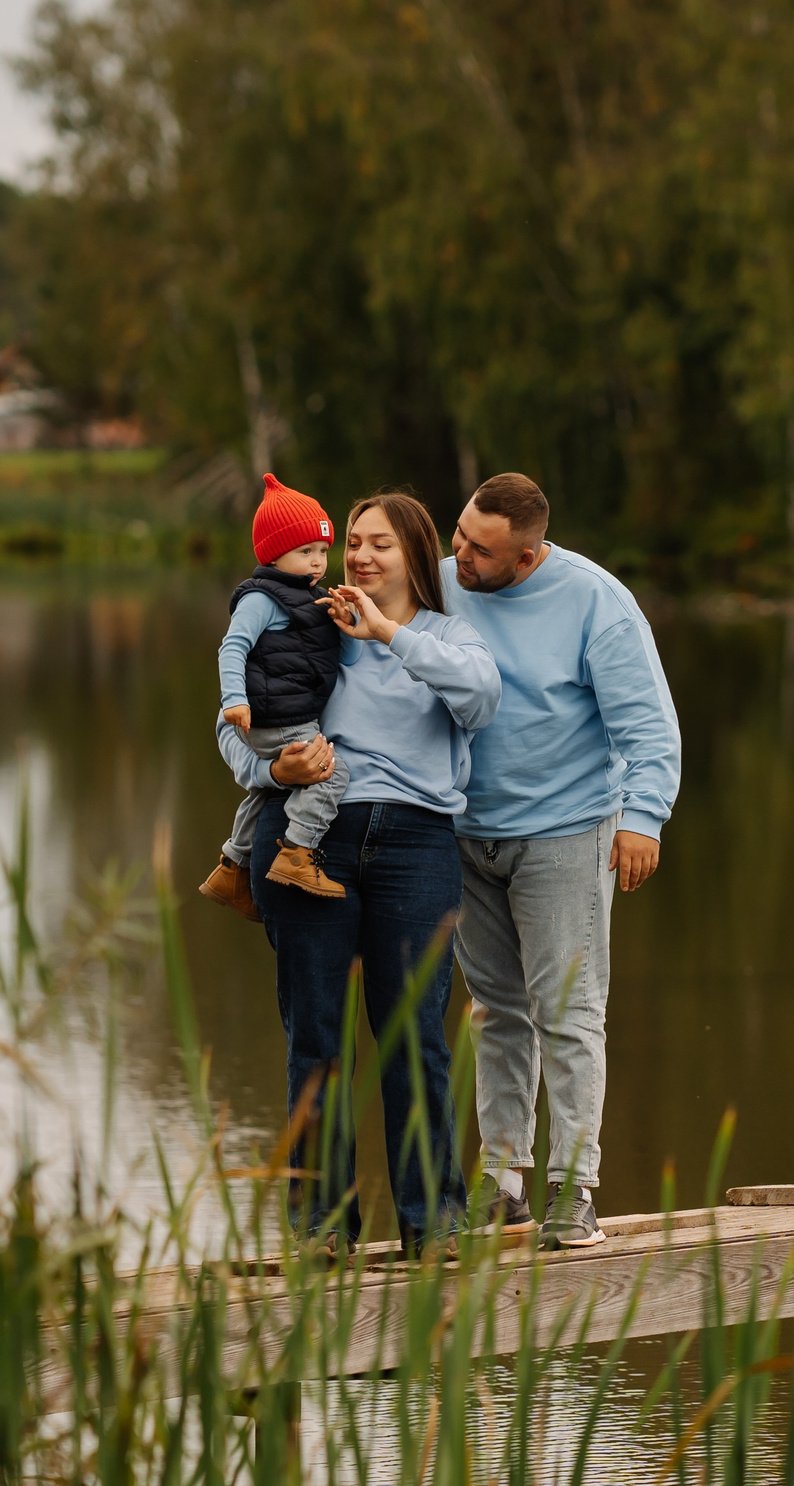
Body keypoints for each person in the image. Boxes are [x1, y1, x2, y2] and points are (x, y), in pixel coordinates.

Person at [234, 492, 499, 1257]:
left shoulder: (452, 636)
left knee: (415, 1036)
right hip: (308, 841)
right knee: (315, 1035)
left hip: (416, 845)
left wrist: (387, 632)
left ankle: (435, 1222)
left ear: (415, 552)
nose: (359, 556)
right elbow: (232, 724)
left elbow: (482, 702)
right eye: (352, 542)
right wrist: (275, 763)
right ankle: (320, 1227)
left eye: (378, 543)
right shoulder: (300, 623)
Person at [441, 472, 680, 1249]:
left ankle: (572, 1189)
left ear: (530, 553)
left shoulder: (595, 600)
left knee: (569, 1015)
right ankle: (503, 1180)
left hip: (567, 830)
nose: (462, 556)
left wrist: (642, 817)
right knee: (495, 1009)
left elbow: (648, 722)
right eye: (460, 536)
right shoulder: (442, 583)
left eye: (481, 550)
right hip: (466, 830)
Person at [199, 474, 349, 920]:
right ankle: (298, 853)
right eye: (306, 552)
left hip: (284, 713)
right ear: (273, 554)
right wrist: (234, 701)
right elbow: (233, 647)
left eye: (322, 551)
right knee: (331, 773)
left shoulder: (306, 595)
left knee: (267, 794)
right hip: (277, 717)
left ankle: (231, 867)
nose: (318, 562)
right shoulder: (261, 599)